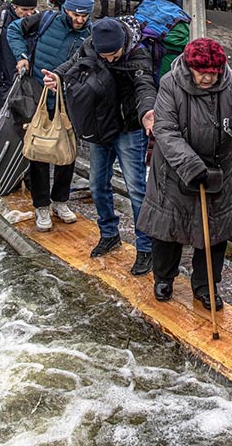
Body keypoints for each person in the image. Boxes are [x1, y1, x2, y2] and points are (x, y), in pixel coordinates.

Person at [138, 38, 232, 307]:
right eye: (202, 72)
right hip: (175, 168)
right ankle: (164, 277)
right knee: (169, 228)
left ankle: (205, 286)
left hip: (221, 168)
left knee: (214, 232)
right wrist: (192, 166)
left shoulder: (230, 81)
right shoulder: (170, 83)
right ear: (191, 68)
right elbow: (165, 130)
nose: (207, 78)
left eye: (212, 73)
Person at [45, 16, 156, 274]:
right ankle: (109, 233)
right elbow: (73, 64)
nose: (108, 59)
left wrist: (148, 110)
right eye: (103, 55)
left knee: (137, 190)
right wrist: (57, 77)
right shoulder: (91, 44)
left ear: (123, 45)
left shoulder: (138, 55)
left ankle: (146, 248)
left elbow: (144, 86)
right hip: (99, 127)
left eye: (113, 55)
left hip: (129, 129)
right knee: (97, 184)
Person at [9, 0, 93, 231]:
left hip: (70, 99)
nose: (79, 20)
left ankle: (61, 200)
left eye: (84, 16)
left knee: (67, 150)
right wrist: (22, 56)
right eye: (75, 15)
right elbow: (14, 30)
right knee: (40, 150)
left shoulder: (91, 34)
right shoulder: (46, 20)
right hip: (39, 94)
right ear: (66, 10)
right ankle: (41, 205)